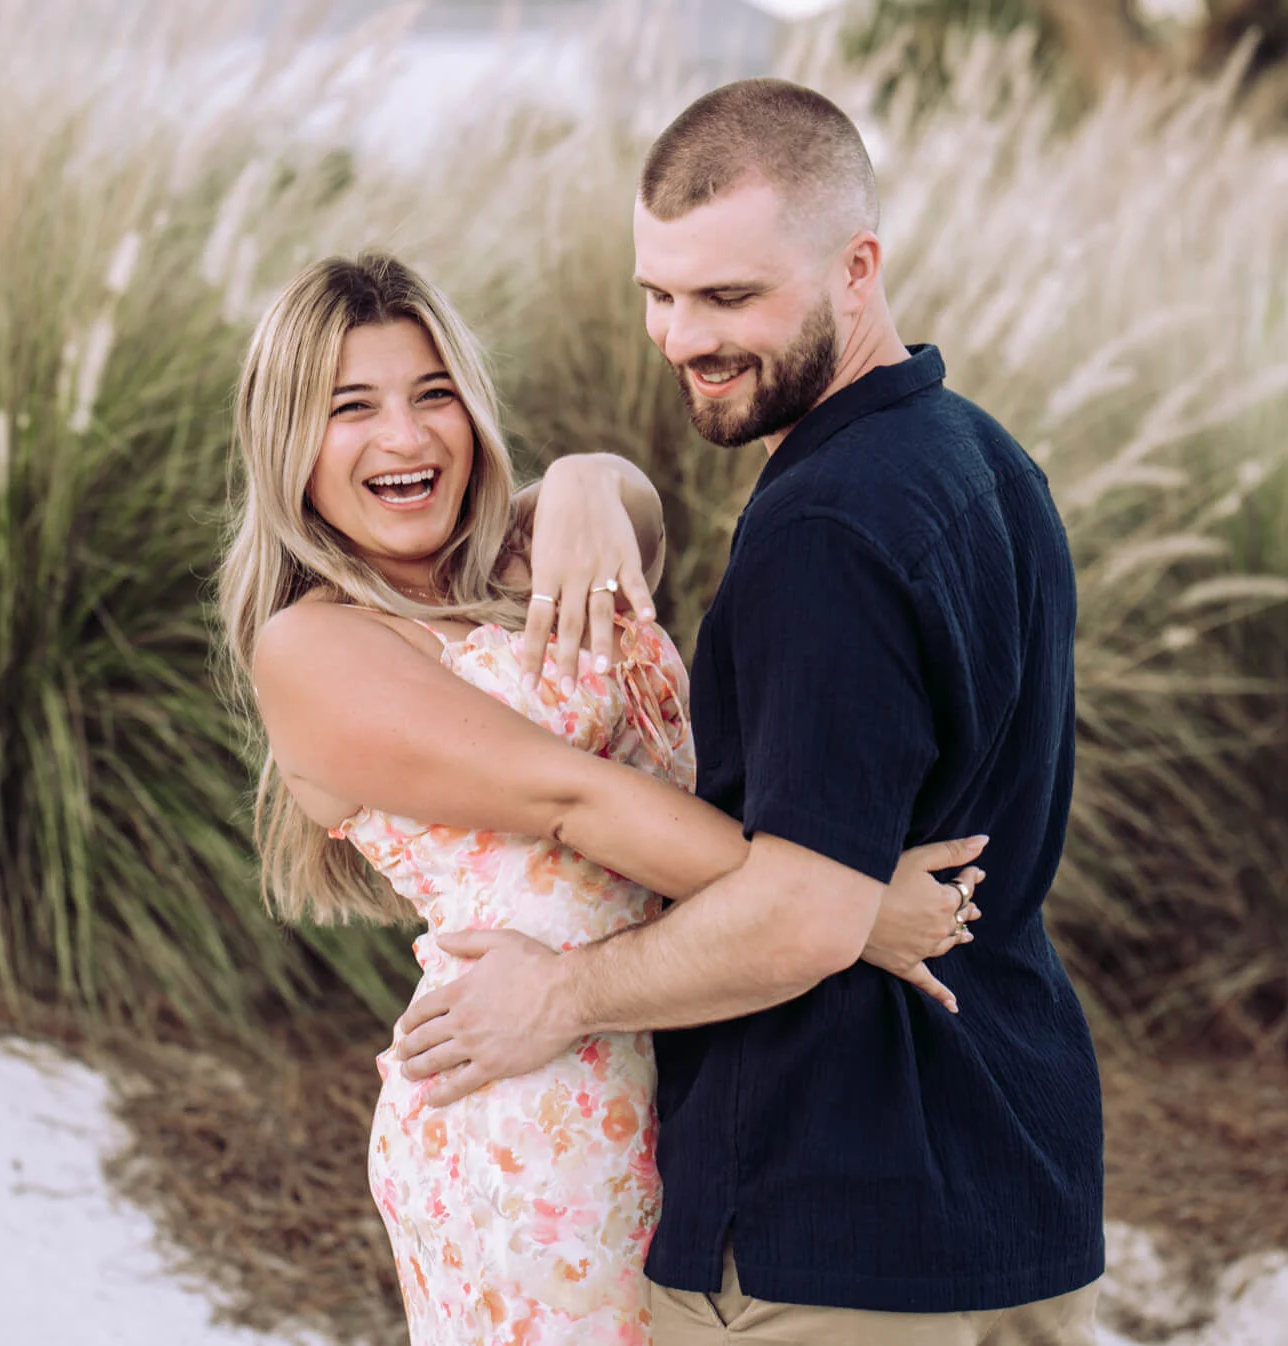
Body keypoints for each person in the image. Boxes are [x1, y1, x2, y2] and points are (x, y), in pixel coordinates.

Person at [393, 80, 1106, 1345]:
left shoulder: (826, 527)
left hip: (825, 1225)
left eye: (729, 297)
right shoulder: (984, 457)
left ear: (856, 268)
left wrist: (557, 997)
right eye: (658, 294)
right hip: (993, 1187)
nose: (681, 338)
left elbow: (803, 915)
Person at [215, 251, 989, 1344]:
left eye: (434, 393)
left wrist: (582, 474)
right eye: (352, 408)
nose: (406, 437)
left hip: (679, 1046)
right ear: (286, 439)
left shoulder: (515, 560)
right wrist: (847, 907)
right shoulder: (314, 646)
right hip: (533, 1112)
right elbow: (576, 796)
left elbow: (638, 512)